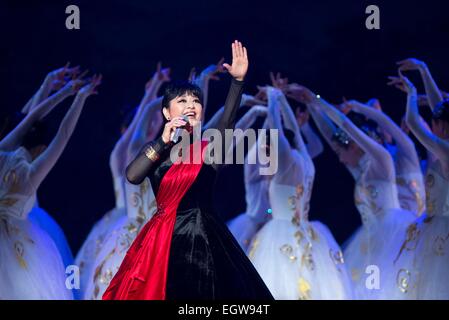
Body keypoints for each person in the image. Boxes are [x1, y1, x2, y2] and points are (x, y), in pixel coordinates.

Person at [102, 41, 274, 300]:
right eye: (182, 100)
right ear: (166, 111)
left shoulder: (208, 148)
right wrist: (162, 141)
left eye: (196, 100)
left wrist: (237, 83)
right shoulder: (156, 149)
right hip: (160, 241)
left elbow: (227, 121)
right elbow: (133, 176)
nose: (191, 104)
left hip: (202, 237)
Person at [0, 74, 101, 299]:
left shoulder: (1, 152)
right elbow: (63, 135)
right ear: (41, 148)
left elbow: (29, 117)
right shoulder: (30, 174)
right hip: (19, 244)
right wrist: (80, 99)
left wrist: (61, 90)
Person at [247, 87, 352, 300]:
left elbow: (278, 129)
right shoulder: (305, 161)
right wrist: (281, 101)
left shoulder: (285, 161)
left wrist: (275, 98)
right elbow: (292, 128)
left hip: (281, 233)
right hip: (308, 232)